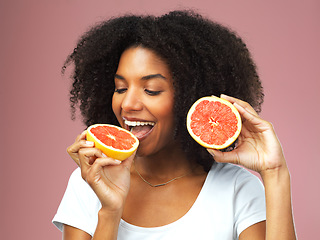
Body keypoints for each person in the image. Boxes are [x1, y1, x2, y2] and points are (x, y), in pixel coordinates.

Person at [52, 10, 296, 240]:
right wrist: (110, 210)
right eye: (120, 88)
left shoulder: (237, 188)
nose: (127, 103)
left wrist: (275, 173)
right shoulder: (89, 183)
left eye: (151, 90)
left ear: (189, 98)